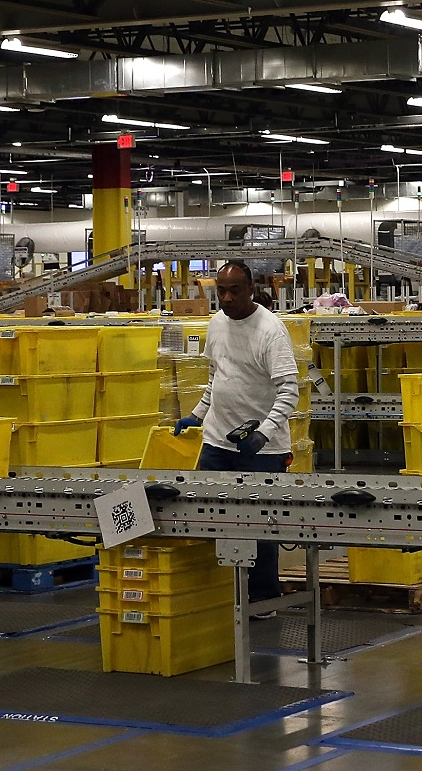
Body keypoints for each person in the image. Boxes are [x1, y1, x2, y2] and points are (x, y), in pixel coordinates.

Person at [174, 260, 299, 613]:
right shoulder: (216, 323)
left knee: (260, 524)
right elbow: (218, 375)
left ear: (251, 290)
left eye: (234, 291)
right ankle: (215, 592)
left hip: (261, 448)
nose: (226, 299)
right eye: (221, 291)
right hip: (217, 440)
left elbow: (289, 390)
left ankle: (263, 598)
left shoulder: (270, 331)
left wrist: (265, 432)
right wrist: (198, 415)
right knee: (205, 513)